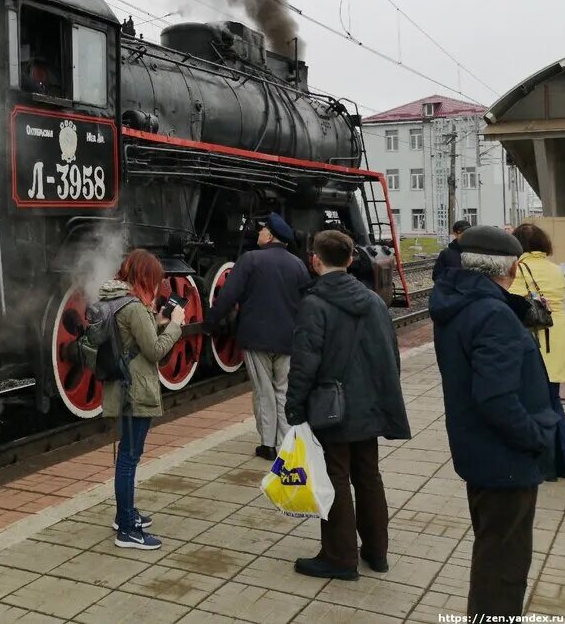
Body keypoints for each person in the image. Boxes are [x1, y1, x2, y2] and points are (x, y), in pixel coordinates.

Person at [430, 225, 558, 618]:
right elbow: (496, 398)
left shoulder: (458, 303)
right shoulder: (491, 315)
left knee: (492, 551)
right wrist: (536, 437)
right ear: (515, 267)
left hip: (480, 451)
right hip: (505, 458)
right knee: (504, 566)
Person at [285, 230, 411, 581]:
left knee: (336, 476)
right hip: (369, 404)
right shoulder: (373, 300)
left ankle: (340, 557)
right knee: (368, 476)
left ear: (315, 260)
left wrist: (294, 407)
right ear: (352, 260)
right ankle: (376, 551)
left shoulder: (314, 303)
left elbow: (304, 363)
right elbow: (391, 355)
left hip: (332, 407)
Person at [98, 249, 184, 551]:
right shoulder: (133, 306)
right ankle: (126, 527)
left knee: (127, 455)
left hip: (122, 386)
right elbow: (155, 352)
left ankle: (126, 513)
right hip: (135, 389)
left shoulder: (113, 299)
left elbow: (133, 339)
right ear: (145, 276)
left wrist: (156, 321)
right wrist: (174, 324)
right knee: (129, 458)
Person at [209, 212, 310, 459]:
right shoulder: (298, 264)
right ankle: (286, 445)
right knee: (283, 390)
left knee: (263, 390)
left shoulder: (250, 259)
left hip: (256, 339)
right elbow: (307, 301)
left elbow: (228, 295)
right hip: (288, 339)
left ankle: (267, 445)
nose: (259, 233)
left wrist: (210, 322)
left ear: (271, 236)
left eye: (263, 230)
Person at [510, 223, 565, 475]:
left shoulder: (518, 270)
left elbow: (514, 306)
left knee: (534, 404)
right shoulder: (555, 269)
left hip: (535, 342)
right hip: (558, 339)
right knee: (553, 401)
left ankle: (545, 462)